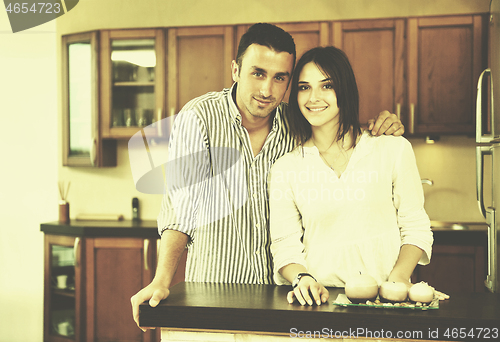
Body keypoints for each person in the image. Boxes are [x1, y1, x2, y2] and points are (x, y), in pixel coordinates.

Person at [131, 23, 404, 330]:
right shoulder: (198, 119)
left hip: (280, 305)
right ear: (235, 70)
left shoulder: (299, 121)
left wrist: (382, 124)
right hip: (209, 298)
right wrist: (161, 280)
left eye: (280, 78)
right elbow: (180, 212)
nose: (267, 90)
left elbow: (340, 129)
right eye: (257, 73)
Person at [268, 46, 447, 307]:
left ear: (345, 90)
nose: (313, 97)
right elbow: (284, 245)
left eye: (326, 85)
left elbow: (416, 226)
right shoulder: (286, 169)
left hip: (385, 301)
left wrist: (397, 279)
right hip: (319, 303)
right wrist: (301, 277)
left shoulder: (392, 148)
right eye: (304, 87)